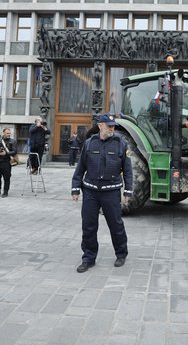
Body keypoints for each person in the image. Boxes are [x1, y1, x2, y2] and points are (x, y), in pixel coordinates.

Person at [71, 114, 133, 273]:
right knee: (89, 226)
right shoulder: (89, 143)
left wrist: (128, 191)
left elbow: (128, 170)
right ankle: (88, 258)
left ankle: (121, 253)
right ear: (100, 126)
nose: (112, 128)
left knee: (116, 225)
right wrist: (75, 188)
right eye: (109, 125)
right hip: (90, 192)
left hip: (111, 192)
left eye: (113, 125)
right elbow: (80, 168)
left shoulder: (121, 143)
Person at [0, 128, 17, 197]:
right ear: (3, 133)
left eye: (9, 133)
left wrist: (6, 153)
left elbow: (15, 151)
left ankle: (5, 192)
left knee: (6, 178)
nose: (9, 134)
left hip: (6, 162)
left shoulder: (13, 141)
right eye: (7, 133)